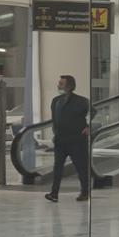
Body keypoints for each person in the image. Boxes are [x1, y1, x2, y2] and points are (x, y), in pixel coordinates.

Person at [45, 74, 92, 202]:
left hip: (77, 141)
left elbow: (94, 112)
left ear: (69, 86)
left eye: (61, 84)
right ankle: (54, 193)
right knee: (57, 168)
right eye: (59, 83)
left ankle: (85, 192)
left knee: (81, 167)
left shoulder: (82, 101)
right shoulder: (56, 101)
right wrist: (55, 131)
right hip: (60, 140)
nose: (58, 86)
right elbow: (55, 118)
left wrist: (88, 126)